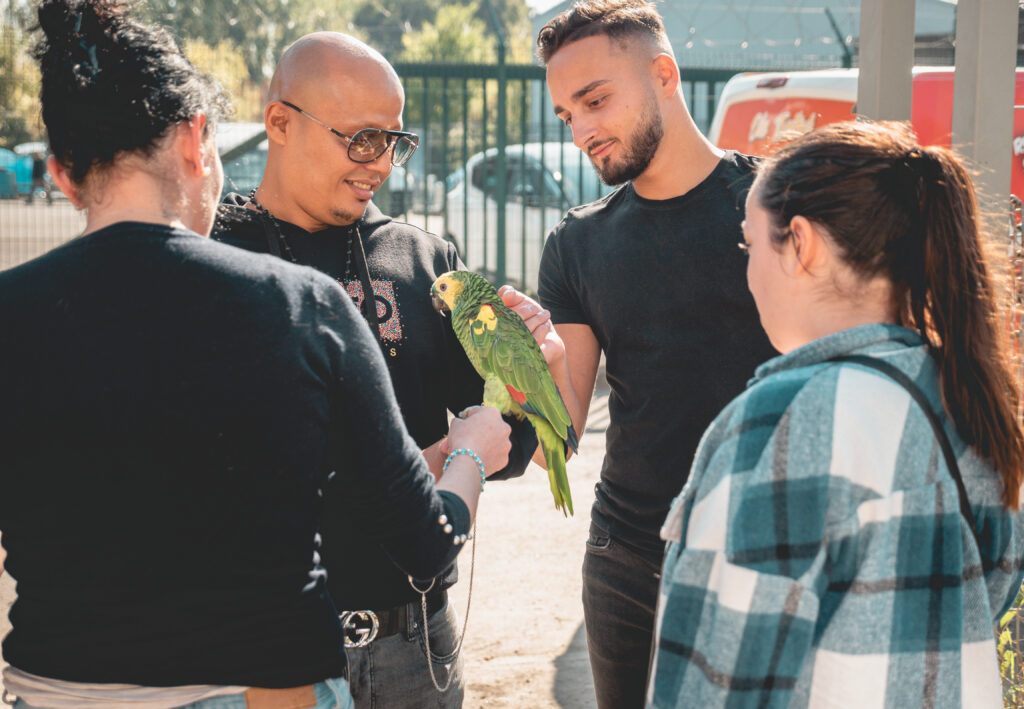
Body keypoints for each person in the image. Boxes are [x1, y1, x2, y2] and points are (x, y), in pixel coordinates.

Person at [0, 2, 510, 708]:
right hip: (255, 685)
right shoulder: (299, 305)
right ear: (195, 140)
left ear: (59, 175)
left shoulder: (18, 317)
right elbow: (428, 541)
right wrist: (472, 451)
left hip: (48, 686)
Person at [648, 120, 1024, 707]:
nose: (746, 270)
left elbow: (716, 682)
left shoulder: (784, 421)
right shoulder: (968, 398)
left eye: (751, 244)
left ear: (802, 243)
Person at [211, 32, 536, 709]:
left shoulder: (424, 261)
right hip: (256, 650)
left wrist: (530, 372)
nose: (381, 163)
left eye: (394, 141)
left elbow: (506, 446)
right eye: (362, 139)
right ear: (280, 123)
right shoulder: (210, 251)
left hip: (412, 644)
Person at [499, 1, 776, 705]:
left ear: (663, 74)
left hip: (767, 548)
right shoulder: (576, 243)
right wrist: (540, 365)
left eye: (594, 100)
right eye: (567, 115)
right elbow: (552, 446)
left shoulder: (776, 205)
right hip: (628, 559)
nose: (582, 131)